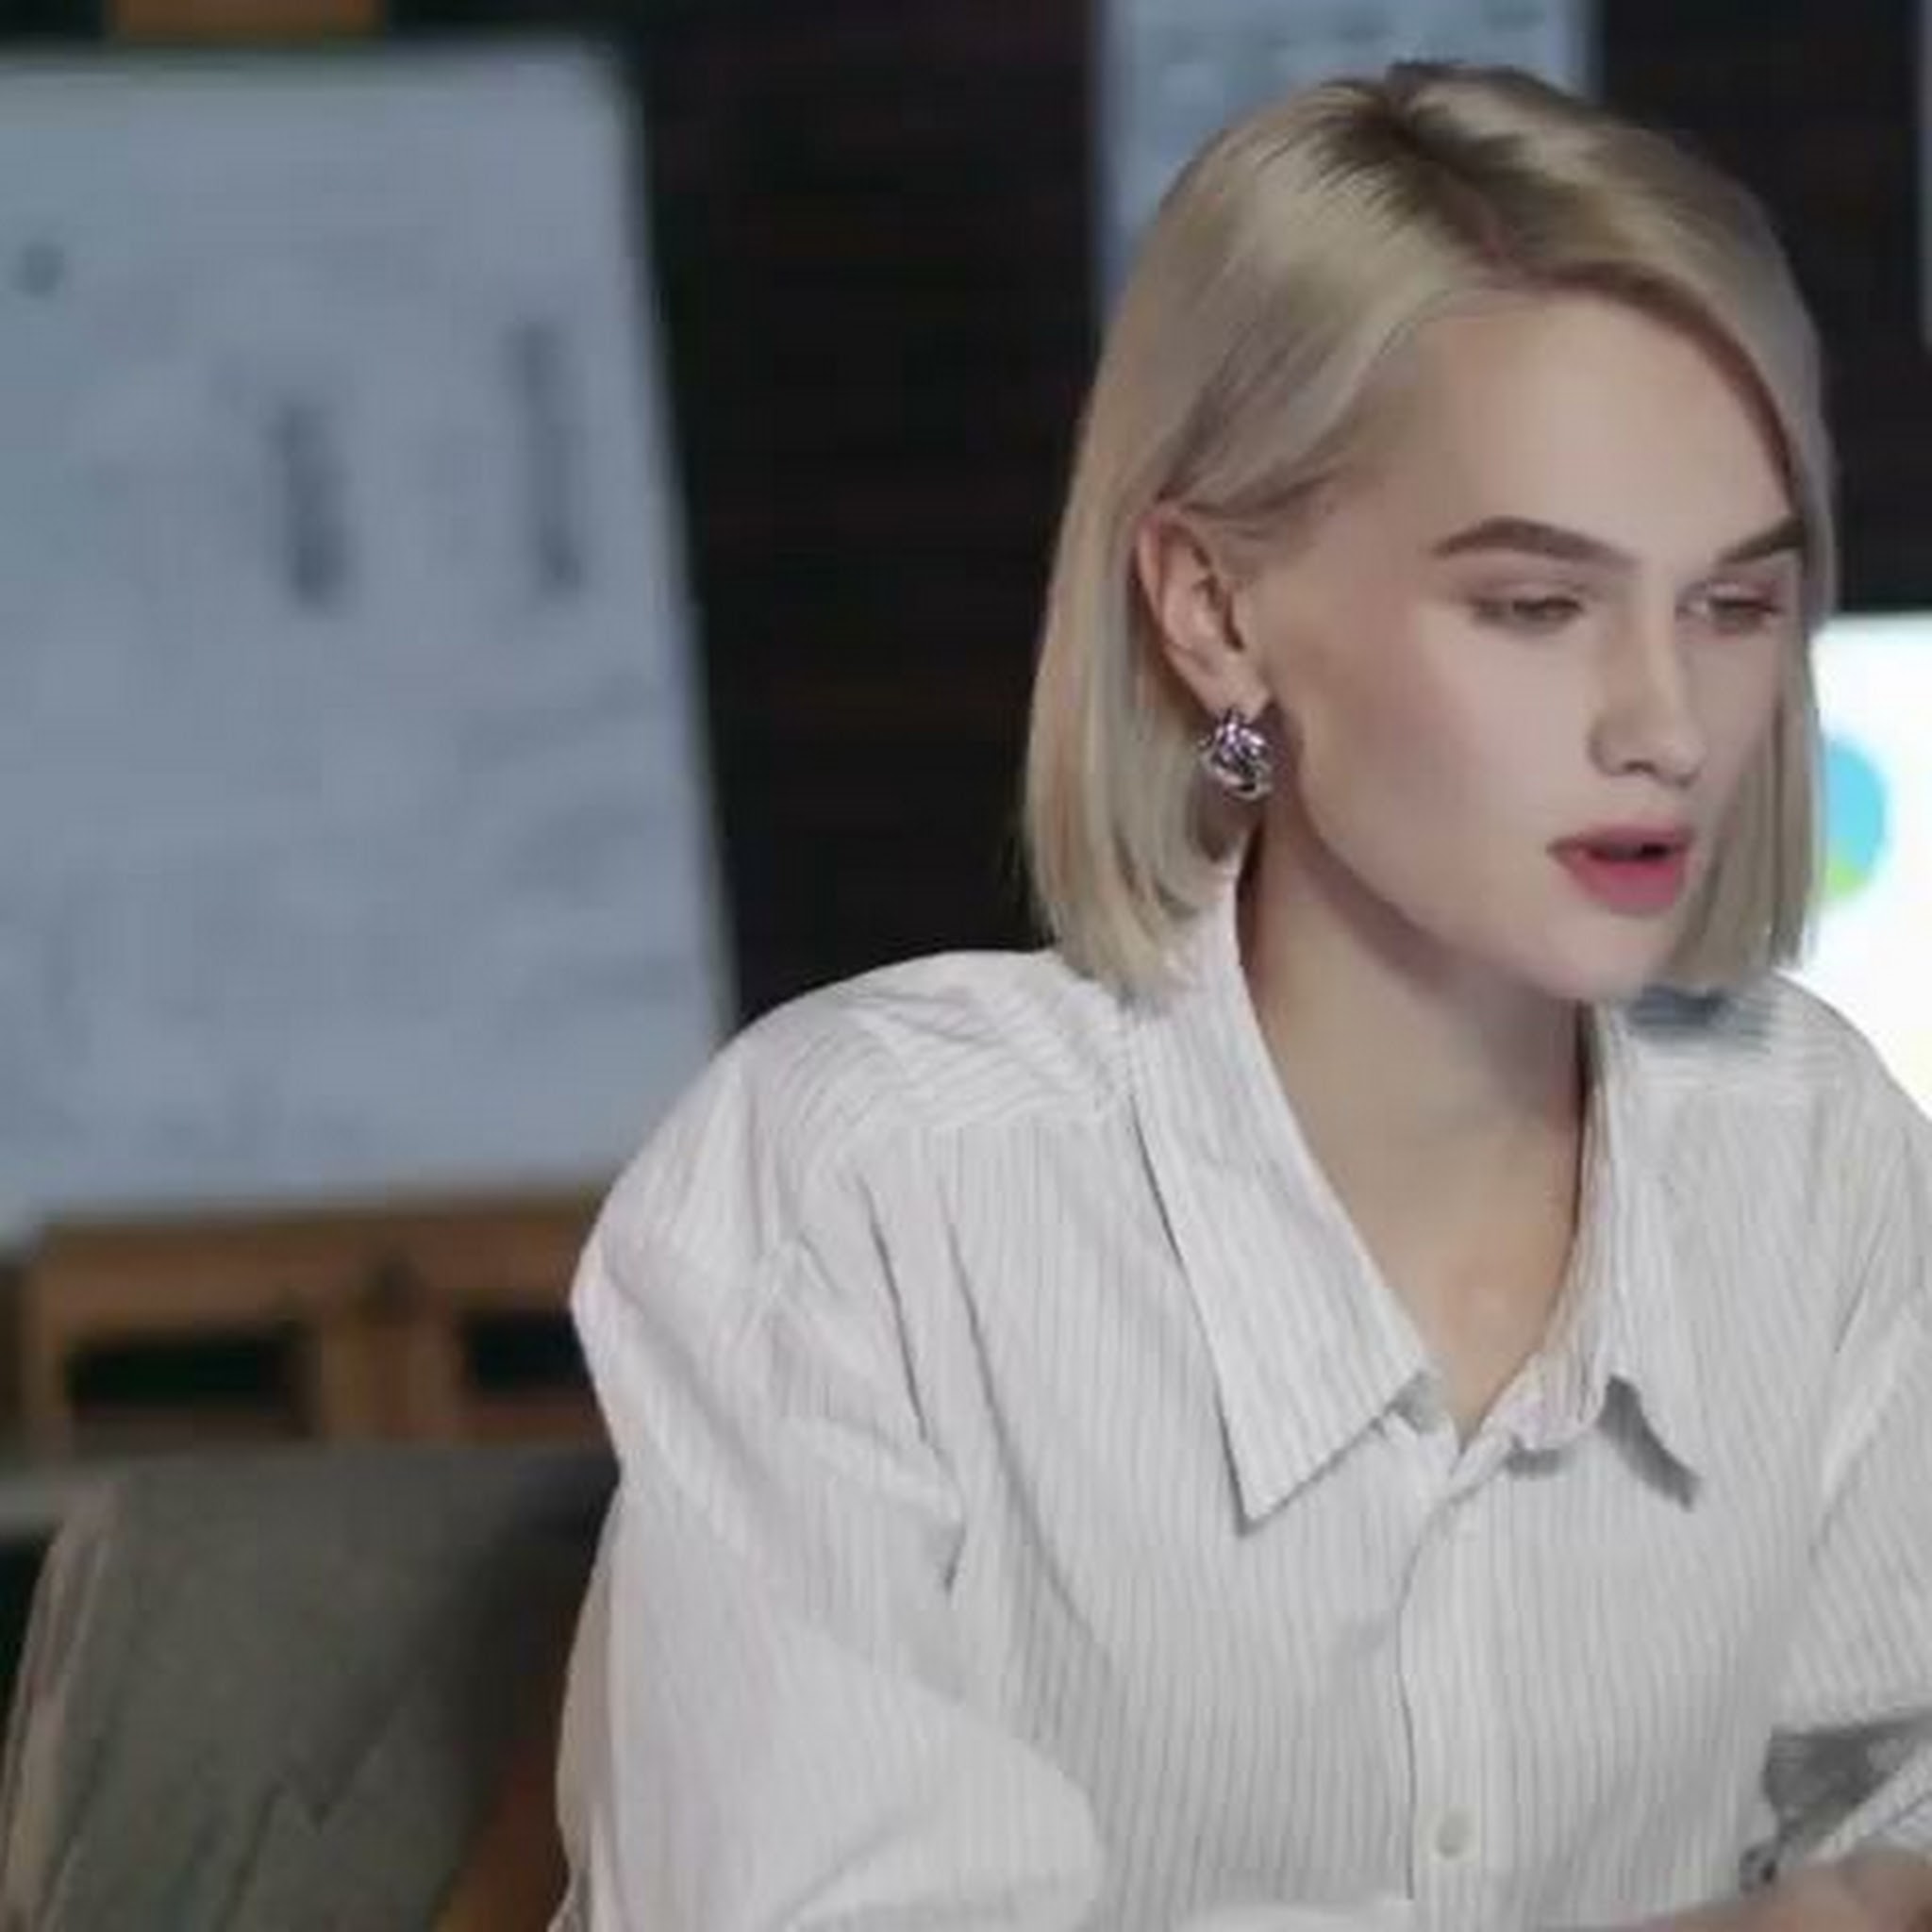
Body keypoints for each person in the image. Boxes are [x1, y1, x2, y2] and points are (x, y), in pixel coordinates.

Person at [551, 59, 1932, 1932]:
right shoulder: (870, 1185)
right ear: (1212, 611)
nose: (1669, 726)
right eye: (1535, 606)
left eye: (1734, 606)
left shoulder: (1814, 1150)